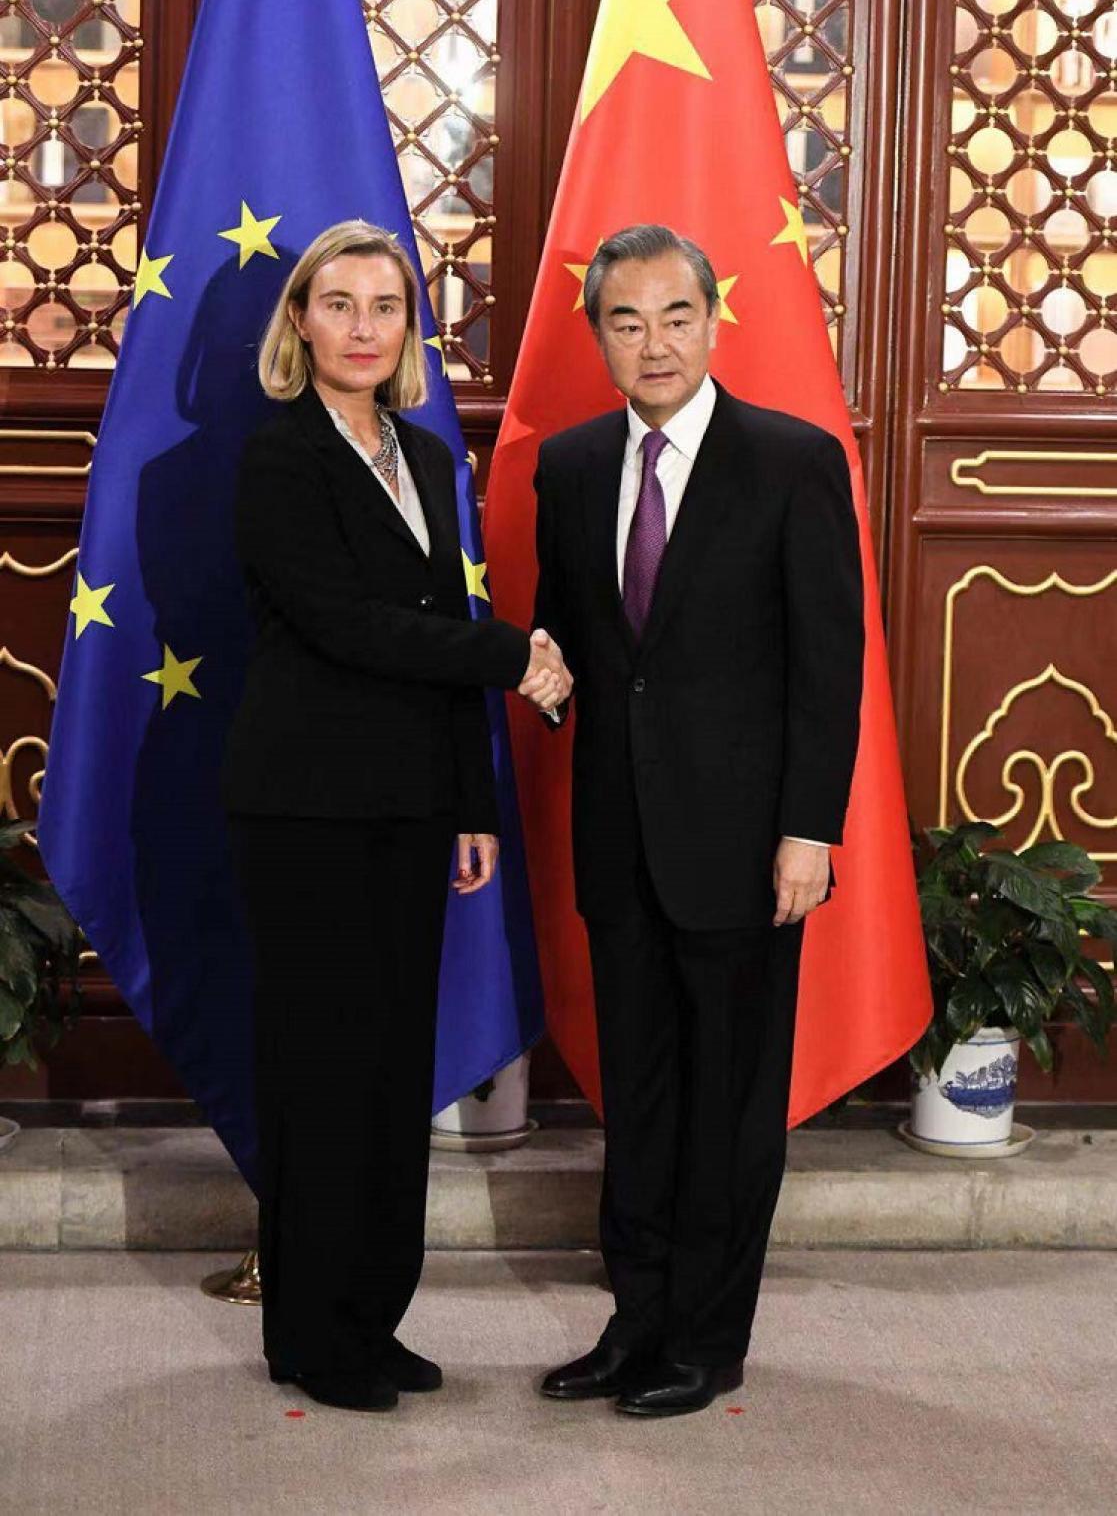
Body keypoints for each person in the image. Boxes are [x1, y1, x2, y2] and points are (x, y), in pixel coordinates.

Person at [222, 220, 571, 1413]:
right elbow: (344, 625)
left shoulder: (427, 458)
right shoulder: (276, 459)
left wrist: (471, 798)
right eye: (340, 304)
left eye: (386, 306)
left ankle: (374, 1316)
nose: (365, 327)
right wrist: (513, 656)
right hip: (306, 807)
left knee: (389, 1074)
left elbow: (423, 644)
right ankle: (312, 1335)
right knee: (321, 1070)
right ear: (301, 323)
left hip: (413, 803)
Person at [524, 223, 864, 1418]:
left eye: (675, 316)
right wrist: (550, 686)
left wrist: (808, 830)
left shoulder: (792, 460)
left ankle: (706, 1342)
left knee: (728, 1104)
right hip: (618, 842)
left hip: (747, 848)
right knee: (644, 1099)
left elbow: (830, 665)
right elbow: (577, 642)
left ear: (713, 321)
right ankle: (636, 1321)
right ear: (599, 335)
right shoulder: (566, 468)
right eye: (626, 320)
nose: (653, 343)